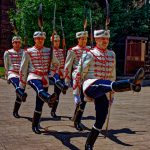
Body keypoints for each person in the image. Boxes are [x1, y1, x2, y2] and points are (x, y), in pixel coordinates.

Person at [72, 29, 145, 150]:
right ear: (96, 39)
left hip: (106, 87)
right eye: (102, 39)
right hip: (90, 85)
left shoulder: (112, 54)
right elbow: (78, 73)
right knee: (101, 84)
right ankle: (130, 83)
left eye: (107, 38)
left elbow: (112, 75)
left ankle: (89, 144)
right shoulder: (89, 54)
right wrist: (76, 93)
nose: (105, 41)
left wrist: (112, 96)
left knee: (102, 117)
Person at [19, 31, 59, 134]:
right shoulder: (28, 51)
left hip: (44, 77)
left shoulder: (49, 51)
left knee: (39, 104)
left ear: (44, 40)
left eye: (42, 39)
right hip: (33, 76)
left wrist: (51, 72)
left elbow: (56, 64)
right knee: (39, 89)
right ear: (34, 39)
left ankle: (35, 125)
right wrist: (21, 85)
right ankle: (49, 98)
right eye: (38, 39)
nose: (40, 40)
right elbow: (23, 68)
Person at [64, 31, 90, 131]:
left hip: (88, 76)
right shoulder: (72, 50)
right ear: (78, 39)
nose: (83, 40)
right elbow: (67, 67)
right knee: (79, 100)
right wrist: (67, 81)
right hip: (77, 76)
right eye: (81, 38)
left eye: (85, 38)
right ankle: (77, 121)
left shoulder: (90, 50)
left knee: (84, 99)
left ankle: (77, 118)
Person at [4, 36, 27, 118]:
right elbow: (6, 65)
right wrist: (7, 77)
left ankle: (15, 111)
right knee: (18, 85)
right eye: (15, 42)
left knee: (19, 95)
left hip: (22, 74)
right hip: (12, 73)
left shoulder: (24, 52)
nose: (17, 44)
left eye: (19, 42)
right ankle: (22, 94)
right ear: (12, 43)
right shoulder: (8, 52)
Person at [49, 34, 68, 119]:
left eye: (58, 41)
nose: (57, 43)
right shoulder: (50, 51)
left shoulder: (62, 51)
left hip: (62, 73)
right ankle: (53, 111)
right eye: (55, 41)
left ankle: (53, 109)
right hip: (54, 73)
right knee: (57, 93)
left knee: (58, 94)